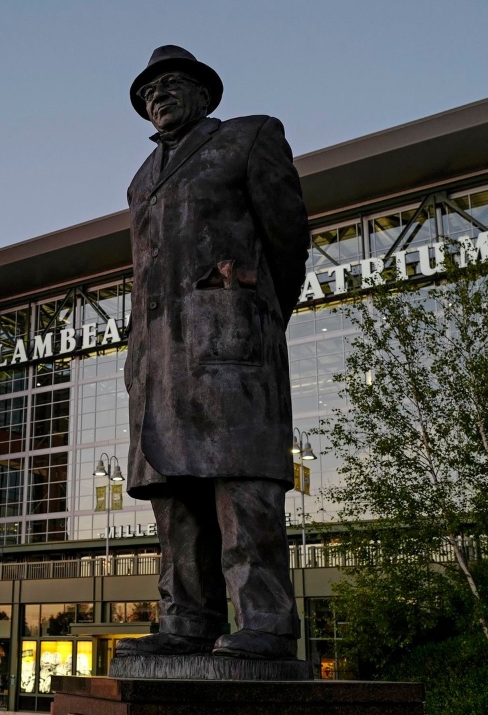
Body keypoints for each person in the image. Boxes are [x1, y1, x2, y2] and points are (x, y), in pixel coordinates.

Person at [116, 45, 310, 661]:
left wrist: (250, 304)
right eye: (150, 91)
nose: (159, 95)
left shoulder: (248, 138)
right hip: (157, 362)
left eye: (173, 84)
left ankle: (266, 622)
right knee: (175, 501)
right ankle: (187, 621)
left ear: (205, 94)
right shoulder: (140, 180)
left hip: (227, 345)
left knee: (241, 486)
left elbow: (287, 239)